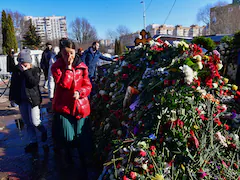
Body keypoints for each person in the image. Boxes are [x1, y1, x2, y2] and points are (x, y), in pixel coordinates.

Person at [51, 38, 92, 176]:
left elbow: (88, 86)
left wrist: (80, 92)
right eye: (65, 53)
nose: (69, 56)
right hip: (64, 108)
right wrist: (68, 68)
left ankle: (82, 160)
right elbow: (64, 84)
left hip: (80, 106)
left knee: (81, 137)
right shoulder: (56, 67)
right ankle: (68, 156)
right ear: (61, 53)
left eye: (72, 53)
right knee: (68, 137)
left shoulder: (82, 66)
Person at [9, 49, 47, 153]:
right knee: (27, 122)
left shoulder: (35, 70)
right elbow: (13, 85)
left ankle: (43, 131)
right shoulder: (17, 71)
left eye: (24, 62)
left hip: (33, 99)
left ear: (29, 62)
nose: (22, 65)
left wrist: (26, 72)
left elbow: (33, 83)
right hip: (22, 100)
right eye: (20, 62)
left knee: (35, 121)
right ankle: (33, 142)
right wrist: (12, 97)